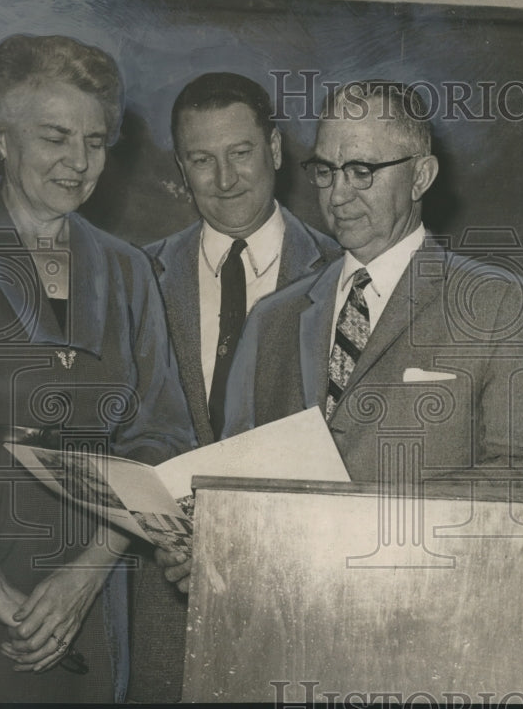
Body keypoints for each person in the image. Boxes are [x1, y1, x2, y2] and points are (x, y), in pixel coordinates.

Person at [221, 79, 523, 485]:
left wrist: (381, 518)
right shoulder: (271, 319)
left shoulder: (498, 305)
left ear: (420, 176)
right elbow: (231, 481)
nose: (338, 195)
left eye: (362, 171)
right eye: (326, 171)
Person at [0, 33, 194, 702]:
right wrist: (2, 600)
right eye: (54, 136)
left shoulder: (127, 270)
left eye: (96, 140)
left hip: (96, 593)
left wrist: (86, 574)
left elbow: (160, 440)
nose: (78, 162)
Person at [130, 72, 339, 701]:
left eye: (241, 153)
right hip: (164, 605)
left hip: (299, 600)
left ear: (275, 150)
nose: (225, 180)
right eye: (202, 160)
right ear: (180, 167)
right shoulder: (135, 274)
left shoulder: (342, 273)